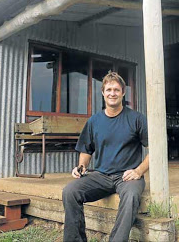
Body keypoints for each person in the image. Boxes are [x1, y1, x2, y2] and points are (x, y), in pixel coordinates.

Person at [62, 71, 149, 242]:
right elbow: (86, 150)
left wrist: (138, 171)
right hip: (101, 176)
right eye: (108, 89)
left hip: (127, 177)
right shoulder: (94, 121)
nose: (112, 93)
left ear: (123, 92)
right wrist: (81, 167)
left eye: (116, 90)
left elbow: (156, 149)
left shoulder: (136, 119)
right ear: (102, 92)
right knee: (70, 191)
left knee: (131, 196)